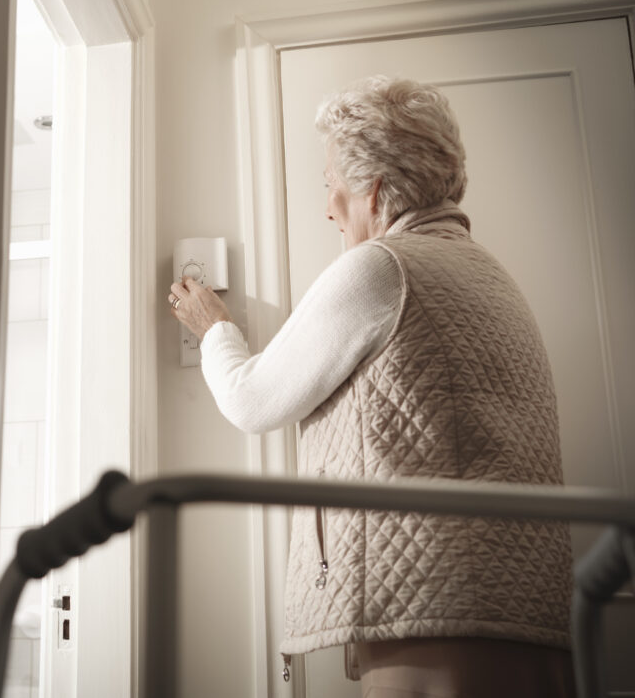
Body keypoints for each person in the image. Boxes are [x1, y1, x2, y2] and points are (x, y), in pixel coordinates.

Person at [167, 76, 575, 698]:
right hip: (530, 611)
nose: (327, 206)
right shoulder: (493, 276)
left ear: (374, 190)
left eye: (331, 182)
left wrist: (215, 327)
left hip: (435, 618)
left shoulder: (383, 266)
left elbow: (253, 401)